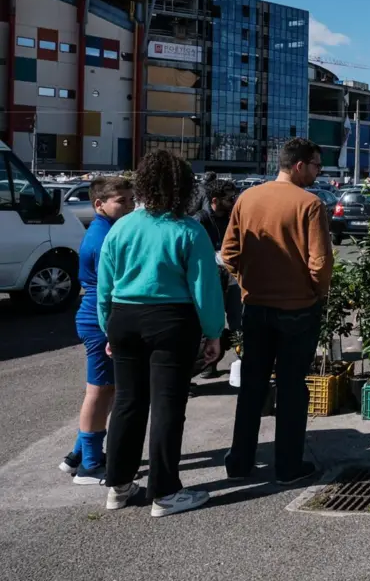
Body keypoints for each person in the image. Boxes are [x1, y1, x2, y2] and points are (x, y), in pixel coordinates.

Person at [98, 151, 226, 517]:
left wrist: (109, 326)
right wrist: (213, 332)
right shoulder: (188, 229)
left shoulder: (121, 227)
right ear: (185, 188)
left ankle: (118, 486)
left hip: (123, 318)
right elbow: (205, 288)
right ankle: (165, 492)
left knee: (127, 402)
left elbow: (105, 285)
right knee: (168, 405)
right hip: (171, 320)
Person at [222, 138, 333, 485]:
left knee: (253, 387)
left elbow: (228, 253)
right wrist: (316, 292)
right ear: (299, 165)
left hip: (255, 307)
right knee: (291, 388)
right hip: (298, 309)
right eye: (316, 165)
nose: (318, 173)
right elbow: (321, 262)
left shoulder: (247, 198)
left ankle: (239, 462)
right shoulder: (310, 204)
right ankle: (287, 466)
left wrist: (246, 282)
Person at [61, 177, 135, 484]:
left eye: (132, 199)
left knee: (108, 389)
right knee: (99, 390)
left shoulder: (107, 230)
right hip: (99, 320)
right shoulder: (104, 236)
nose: (130, 206)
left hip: (100, 317)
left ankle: (78, 454)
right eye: (122, 201)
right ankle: (90, 465)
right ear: (99, 204)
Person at [194, 179, 241, 379]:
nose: (234, 201)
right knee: (209, 327)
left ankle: (242, 361)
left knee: (239, 324)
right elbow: (195, 252)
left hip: (233, 280)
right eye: (230, 198)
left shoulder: (233, 217)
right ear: (215, 200)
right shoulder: (200, 220)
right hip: (210, 282)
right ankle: (205, 365)